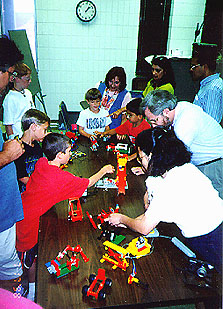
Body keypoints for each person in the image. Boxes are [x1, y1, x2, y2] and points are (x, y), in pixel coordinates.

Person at [106, 127, 223, 272]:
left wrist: (122, 219)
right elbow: (151, 198)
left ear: (151, 156)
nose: (140, 162)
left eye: (141, 157)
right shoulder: (183, 168)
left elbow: (144, 227)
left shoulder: (168, 187)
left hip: (209, 239)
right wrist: (133, 221)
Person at [16, 132, 115, 301]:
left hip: (22, 207)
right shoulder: (62, 178)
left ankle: (28, 284)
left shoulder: (42, 162)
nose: (71, 154)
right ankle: (31, 289)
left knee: (31, 257)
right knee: (29, 259)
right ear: (60, 155)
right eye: (69, 151)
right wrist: (104, 170)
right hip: (28, 222)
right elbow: (88, 183)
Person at [140, 89, 223, 199]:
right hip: (202, 162)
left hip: (213, 164)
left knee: (213, 207)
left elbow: (173, 158)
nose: (154, 126)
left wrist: (150, 168)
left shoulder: (186, 119)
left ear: (165, 111)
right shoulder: (177, 111)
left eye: (154, 121)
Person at [0, 36, 25, 292]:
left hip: (5, 210)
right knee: (9, 270)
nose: (10, 80)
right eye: (10, 73)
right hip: (1, 218)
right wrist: (6, 156)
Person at [14, 109, 50, 193]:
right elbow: (22, 177)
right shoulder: (18, 149)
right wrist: (41, 187)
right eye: (45, 130)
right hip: (24, 193)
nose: (46, 133)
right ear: (33, 127)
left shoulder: (37, 146)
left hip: (36, 188)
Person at [190, 43, 223, 125]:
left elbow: (211, 123)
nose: (191, 69)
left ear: (205, 67)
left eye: (194, 66)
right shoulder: (208, 85)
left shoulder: (213, 89)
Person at [3, 63, 35, 139]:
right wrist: (13, 141)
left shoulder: (28, 93)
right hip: (19, 137)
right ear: (17, 79)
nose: (30, 81)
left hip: (30, 136)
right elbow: (8, 125)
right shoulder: (10, 99)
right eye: (27, 79)